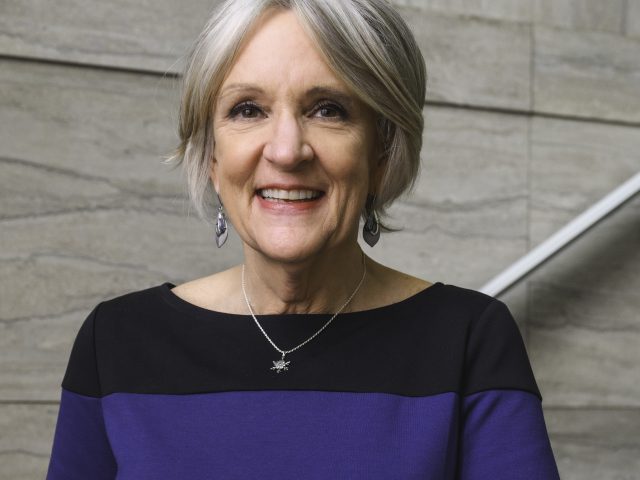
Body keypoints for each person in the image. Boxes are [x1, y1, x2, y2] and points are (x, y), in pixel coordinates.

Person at [46, 0, 561, 478]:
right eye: (248, 109)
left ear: (382, 151)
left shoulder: (469, 339)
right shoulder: (116, 342)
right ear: (211, 155)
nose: (287, 151)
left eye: (328, 109)